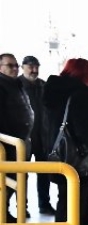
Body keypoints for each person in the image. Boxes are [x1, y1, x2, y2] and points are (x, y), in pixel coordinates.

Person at [42, 58, 88, 225]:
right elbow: (84, 130)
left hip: (57, 153)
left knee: (63, 198)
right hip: (76, 157)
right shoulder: (81, 94)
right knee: (79, 201)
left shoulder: (52, 91)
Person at [0, 53, 34, 222]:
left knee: (17, 179)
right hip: (8, 144)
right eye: (9, 65)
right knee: (7, 181)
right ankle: (2, 214)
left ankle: (5, 212)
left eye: (16, 65)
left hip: (22, 142)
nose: (14, 68)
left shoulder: (17, 84)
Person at [19, 55, 55, 216]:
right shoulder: (17, 85)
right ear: (23, 67)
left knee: (44, 173)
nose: (34, 70)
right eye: (30, 67)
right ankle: (22, 207)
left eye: (36, 67)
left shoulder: (44, 86)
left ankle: (44, 204)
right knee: (21, 175)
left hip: (43, 136)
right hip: (24, 138)